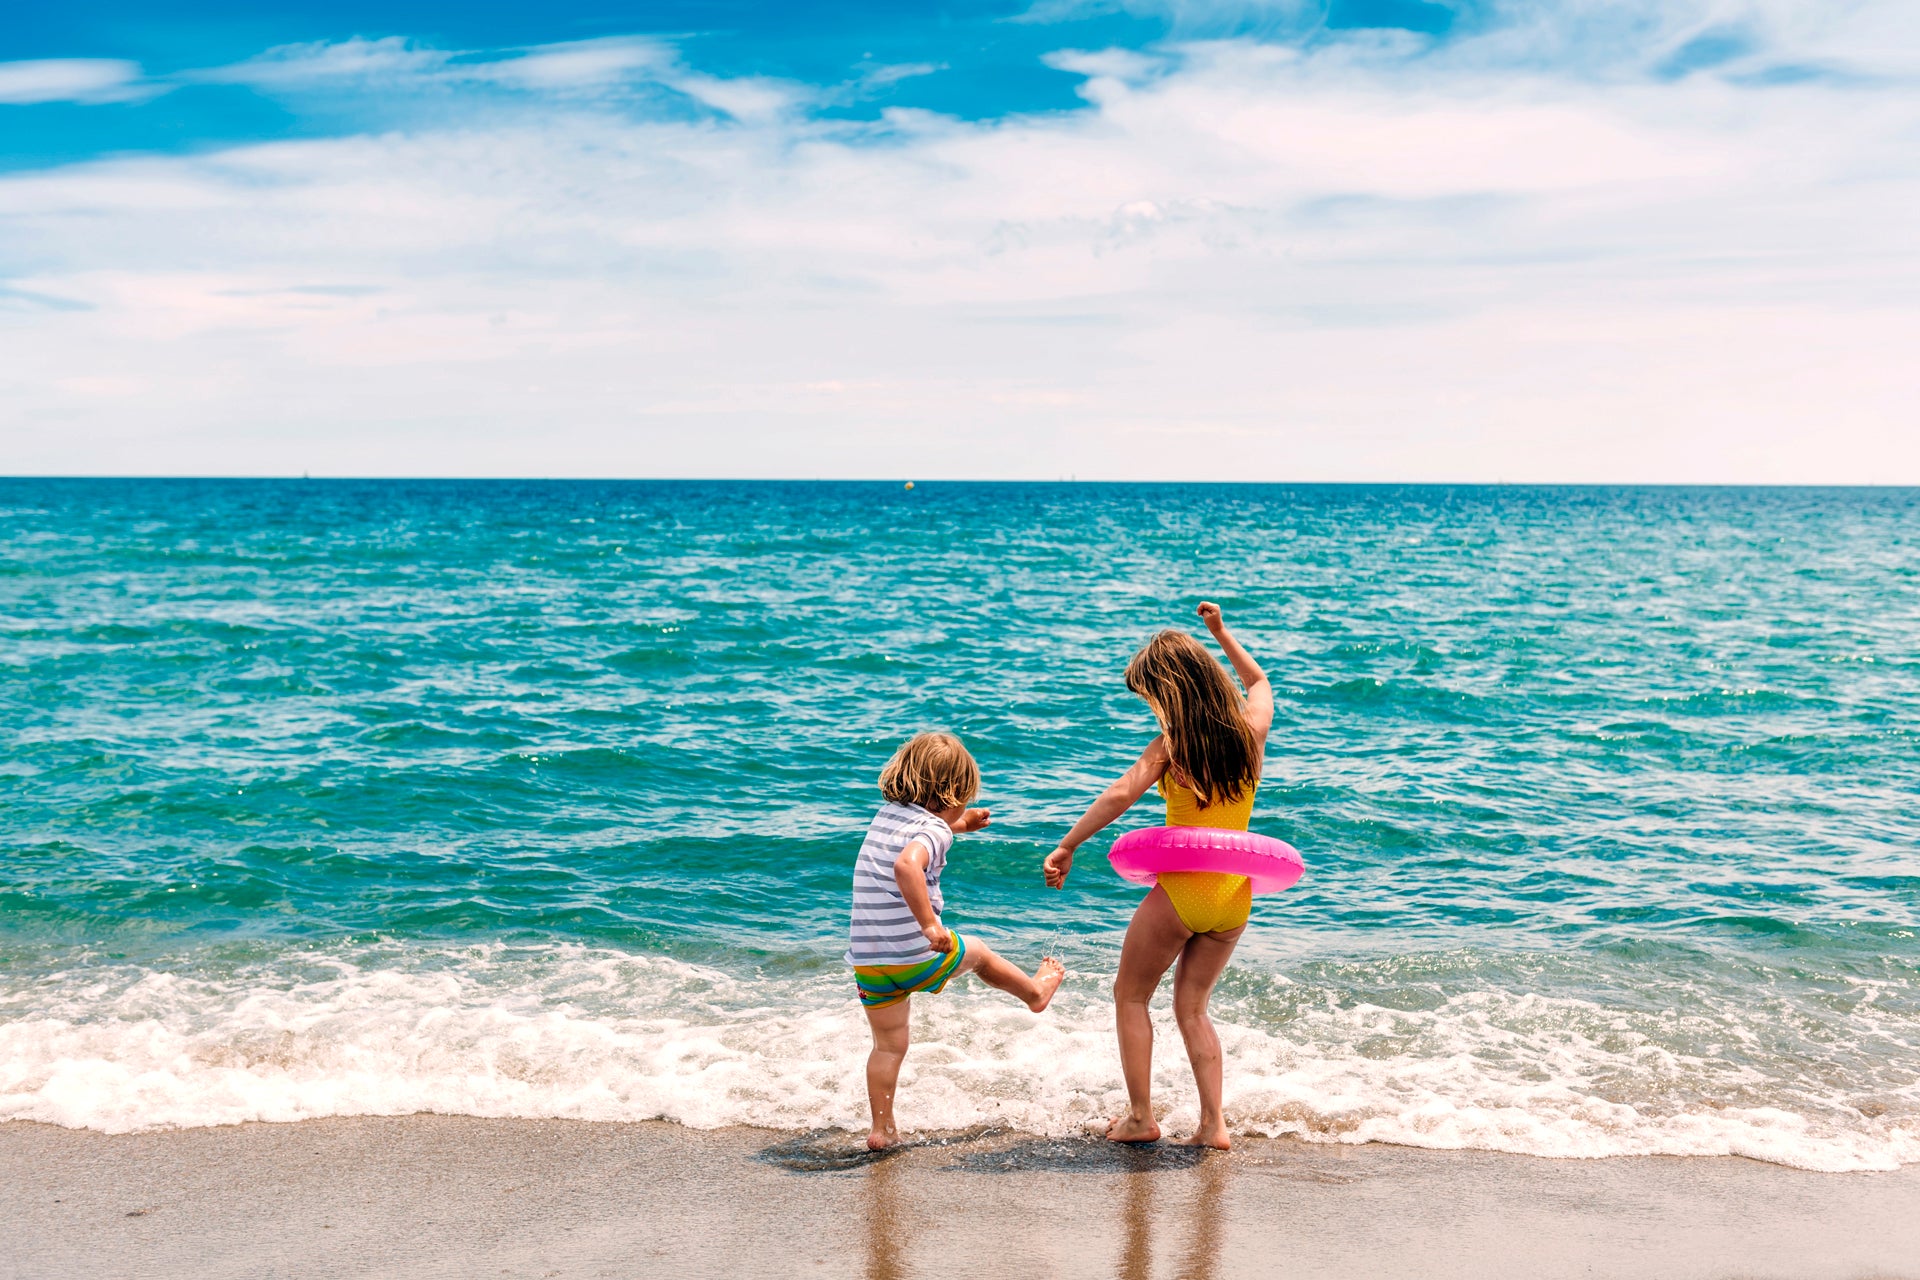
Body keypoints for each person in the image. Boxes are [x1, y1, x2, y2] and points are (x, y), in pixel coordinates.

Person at [1042, 603, 1273, 1149]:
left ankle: (1141, 1118)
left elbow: (1122, 794)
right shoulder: (1253, 730)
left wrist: (1068, 845)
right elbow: (1258, 679)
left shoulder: (1173, 746)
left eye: (1153, 698)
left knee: (1129, 995)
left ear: (1170, 694)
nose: (1151, 708)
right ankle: (1214, 1126)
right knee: (1193, 1007)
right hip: (1233, 897)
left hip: (1182, 891)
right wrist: (1221, 632)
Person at [848, 731, 1065, 1150]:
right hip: (915, 952)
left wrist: (962, 824)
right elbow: (908, 865)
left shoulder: (887, 815)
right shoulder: (934, 832)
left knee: (888, 1046)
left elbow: (920, 833)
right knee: (979, 952)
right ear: (954, 793)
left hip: (869, 962)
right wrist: (930, 926)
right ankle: (1035, 992)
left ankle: (882, 1129)